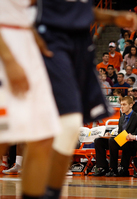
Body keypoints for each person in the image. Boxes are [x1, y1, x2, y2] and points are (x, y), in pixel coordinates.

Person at [36, 2, 137, 199]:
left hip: (78, 43)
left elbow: (77, 9)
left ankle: (51, 192)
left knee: (70, 125)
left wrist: (113, 16)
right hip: (50, 39)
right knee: (39, 130)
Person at [0, 1, 61, 198]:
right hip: (5, 42)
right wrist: (8, 59)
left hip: (26, 40)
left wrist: (33, 35)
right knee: (3, 134)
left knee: (44, 135)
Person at [107, 96, 137, 177]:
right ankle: (109, 168)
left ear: (130, 105)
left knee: (125, 141)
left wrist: (130, 136)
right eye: (121, 104)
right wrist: (111, 135)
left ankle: (124, 168)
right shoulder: (121, 119)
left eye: (124, 104)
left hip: (132, 143)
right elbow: (119, 133)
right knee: (100, 141)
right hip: (122, 141)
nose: (122, 106)